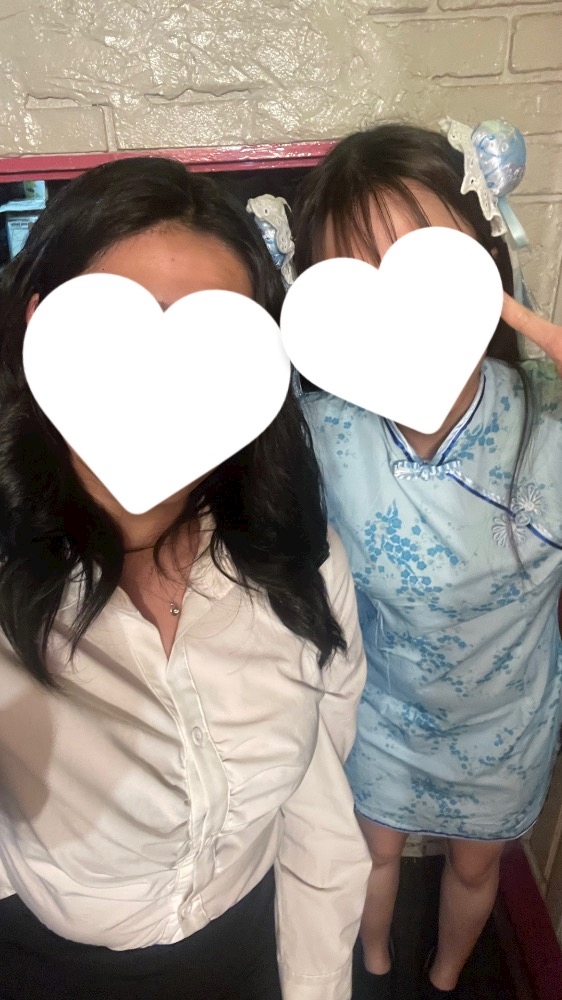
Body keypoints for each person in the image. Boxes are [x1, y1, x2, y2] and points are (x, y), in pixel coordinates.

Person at [0, 156, 371, 1000]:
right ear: (39, 328)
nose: (159, 384)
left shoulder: (300, 562)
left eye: (210, 345)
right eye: (116, 335)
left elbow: (315, 808)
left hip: (245, 950)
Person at [292, 122, 562, 999]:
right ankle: (373, 967)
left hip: (506, 723)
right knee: (370, 855)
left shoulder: (548, 421)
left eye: (422, 263)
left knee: (476, 868)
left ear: (482, 258)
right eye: (358, 279)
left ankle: (447, 977)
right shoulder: (320, 431)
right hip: (383, 714)